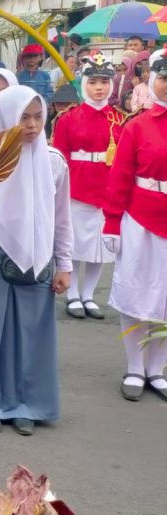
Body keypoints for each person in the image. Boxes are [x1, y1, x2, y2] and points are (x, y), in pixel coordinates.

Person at [0, 86, 72, 436]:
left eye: (38, 117)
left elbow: (61, 218)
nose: (33, 125)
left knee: (32, 330)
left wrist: (64, 263)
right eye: (24, 118)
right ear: (5, 117)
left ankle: (27, 405)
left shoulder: (53, 161)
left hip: (38, 250)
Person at [103, 55, 167, 402]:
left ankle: (157, 369)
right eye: (163, 78)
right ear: (153, 80)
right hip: (141, 219)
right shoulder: (138, 126)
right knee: (136, 293)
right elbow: (121, 176)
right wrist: (112, 221)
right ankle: (134, 366)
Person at [50, 59, 124, 320]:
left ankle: (89, 295)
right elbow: (60, 156)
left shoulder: (120, 119)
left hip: (107, 186)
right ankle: (72, 295)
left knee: (99, 248)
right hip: (77, 185)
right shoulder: (69, 118)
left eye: (104, 82)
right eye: (92, 82)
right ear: (83, 85)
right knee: (75, 243)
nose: (99, 88)